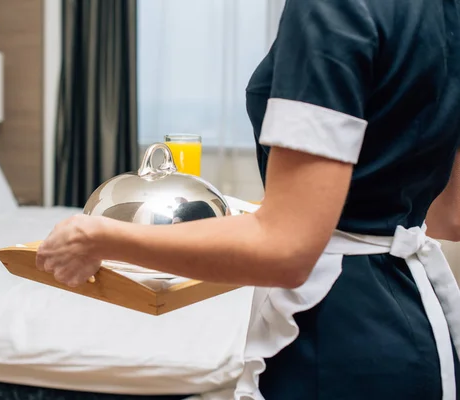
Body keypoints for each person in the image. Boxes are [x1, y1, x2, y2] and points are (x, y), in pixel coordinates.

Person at [36, 0, 460, 398]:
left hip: (341, 337)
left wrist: (97, 237)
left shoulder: (332, 8)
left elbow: (287, 251)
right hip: (418, 326)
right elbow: (449, 216)